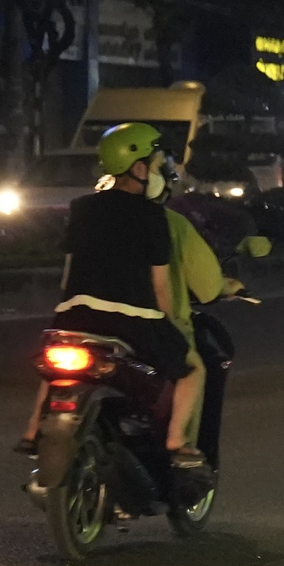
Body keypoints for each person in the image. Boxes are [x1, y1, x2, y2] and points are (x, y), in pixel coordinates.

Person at [17, 122, 205, 468]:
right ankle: (177, 441)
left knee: (55, 365)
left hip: (75, 312)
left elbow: (68, 274)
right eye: (158, 162)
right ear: (139, 168)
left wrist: (69, 308)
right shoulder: (153, 216)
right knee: (192, 368)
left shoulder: (82, 207)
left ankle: (32, 430)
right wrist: (172, 326)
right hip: (133, 319)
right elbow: (160, 286)